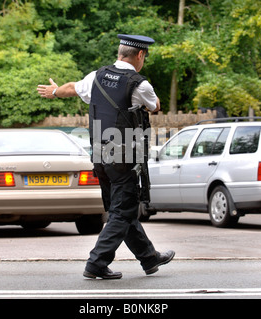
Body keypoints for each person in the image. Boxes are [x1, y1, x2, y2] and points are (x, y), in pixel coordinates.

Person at [37, 34, 175, 280]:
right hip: (124, 157)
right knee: (122, 212)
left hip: (100, 156)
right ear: (140, 55)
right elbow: (155, 106)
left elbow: (72, 87)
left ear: (120, 53)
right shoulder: (139, 83)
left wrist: (55, 91)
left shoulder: (96, 76)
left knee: (121, 209)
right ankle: (96, 263)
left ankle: (149, 258)